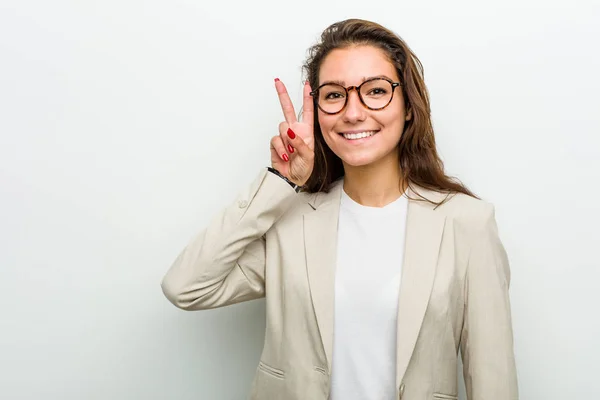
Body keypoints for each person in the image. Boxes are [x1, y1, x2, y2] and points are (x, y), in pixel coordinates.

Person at [161, 18, 518, 400]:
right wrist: (280, 183)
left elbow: (493, 381)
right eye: (334, 95)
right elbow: (186, 287)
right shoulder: (291, 221)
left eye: (376, 91)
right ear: (317, 112)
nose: (353, 112)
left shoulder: (466, 224)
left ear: (408, 106)